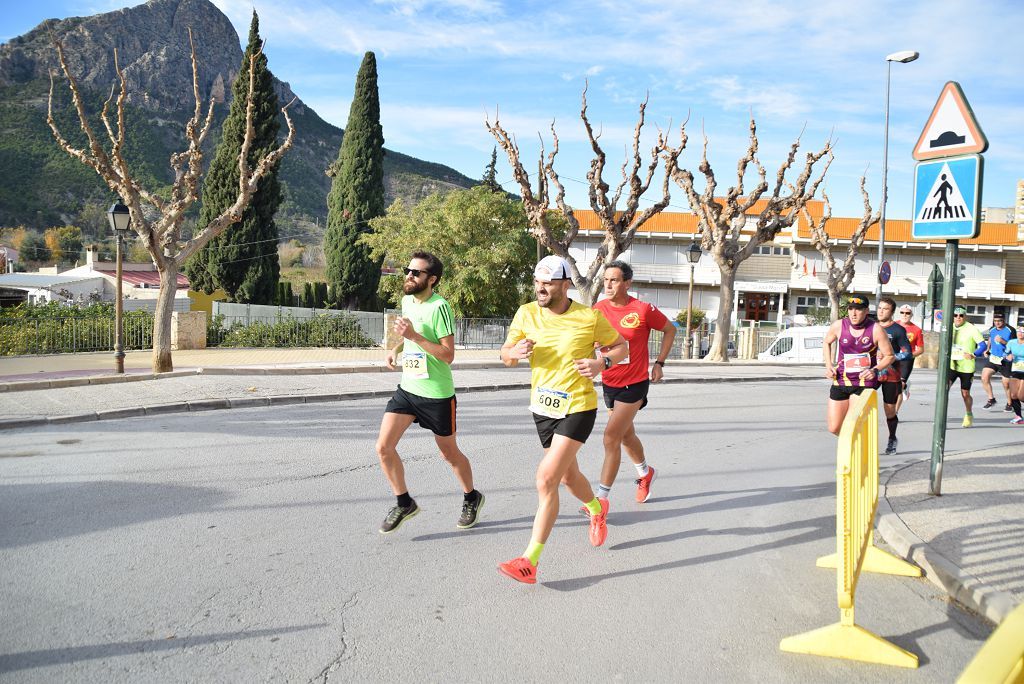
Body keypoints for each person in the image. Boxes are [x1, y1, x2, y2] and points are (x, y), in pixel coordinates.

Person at [497, 255, 628, 584]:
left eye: (549, 281)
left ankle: (530, 561)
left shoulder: (588, 317)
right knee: (569, 478)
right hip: (542, 409)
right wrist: (513, 354)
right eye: (538, 281)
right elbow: (506, 355)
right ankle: (597, 509)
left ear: (566, 284)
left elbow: (620, 347)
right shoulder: (526, 313)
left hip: (578, 407)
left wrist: (602, 364)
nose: (541, 287)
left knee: (546, 480)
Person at [375, 251, 484, 534]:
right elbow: (408, 334)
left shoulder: (440, 307)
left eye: (416, 273)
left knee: (449, 454)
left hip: (437, 394)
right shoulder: (407, 301)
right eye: (407, 271)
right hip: (408, 389)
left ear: (431, 279)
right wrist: (396, 349)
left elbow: (448, 355)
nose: (409, 276)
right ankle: (404, 502)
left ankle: (471, 497)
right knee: (383, 448)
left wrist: (414, 337)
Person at [591, 260, 675, 505]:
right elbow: (590, 340)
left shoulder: (643, 309)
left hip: (635, 383)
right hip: (609, 382)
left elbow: (670, 330)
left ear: (627, 283)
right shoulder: (598, 309)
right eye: (606, 279)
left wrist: (659, 363)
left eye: (614, 280)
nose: (608, 284)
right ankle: (645, 473)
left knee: (610, 437)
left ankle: (601, 500)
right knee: (626, 436)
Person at [822, 295, 895, 436]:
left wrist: (875, 370)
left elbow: (890, 356)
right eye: (850, 309)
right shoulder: (839, 325)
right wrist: (829, 365)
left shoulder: (876, 329)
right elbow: (827, 342)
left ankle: (855, 453)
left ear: (866, 311)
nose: (853, 313)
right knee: (834, 427)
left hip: (864, 382)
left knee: (852, 423)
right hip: (841, 379)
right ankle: (851, 443)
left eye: (858, 309)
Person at [875, 298, 913, 454]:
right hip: (871, 373)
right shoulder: (871, 327)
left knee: (889, 411)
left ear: (891, 312)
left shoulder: (897, 330)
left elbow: (907, 353)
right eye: (879, 308)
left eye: (885, 309)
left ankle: (892, 438)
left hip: (891, 374)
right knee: (860, 404)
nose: (881, 311)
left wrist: (890, 357)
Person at [948, 305, 986, 428]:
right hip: (952, 365)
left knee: (965, 394)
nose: (958, 318)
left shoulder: (972, 329)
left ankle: (968, 414)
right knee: (944, 390)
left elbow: (982, 346)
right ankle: (941, 417)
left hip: (966, 367)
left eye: (961, 315)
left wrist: (973, 355)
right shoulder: (948, 327)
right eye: (955, 315)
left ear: (965, 316)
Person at [980, 312, 1016, 412]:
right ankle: (991, 399)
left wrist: (1003, 341)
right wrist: (987, 349)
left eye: (999, 321)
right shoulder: (992, 329)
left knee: (1006, 384)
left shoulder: (1010, 330)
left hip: (1006, 360)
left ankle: (1010, 403)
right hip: (994, 358)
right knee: (984, 377)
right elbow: (991, 339)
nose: (997, 323)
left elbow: (1014, 344)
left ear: (1004, 321)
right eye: (995, 321)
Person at [895, 304, 925, 408]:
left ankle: (895, 413)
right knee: (892, 385)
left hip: (906, 360)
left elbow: (921, 349)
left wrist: (909, 355)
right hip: (893, 358)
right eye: (902, 312)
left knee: (900, 385)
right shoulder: (893, 325)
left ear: (911, 315)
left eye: (907, 313)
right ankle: (906, 387)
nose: (904, 315)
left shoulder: (916, 330)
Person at [1004, 327, 1024, 425]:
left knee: (1021, 396)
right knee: (1013, 395)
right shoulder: (1011, 342)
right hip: (1015, 370)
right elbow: (1005, 353)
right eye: (1019, 331)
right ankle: (1019, 416)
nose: (1020, 333)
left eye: (1023, 332)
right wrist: (1008, 357)